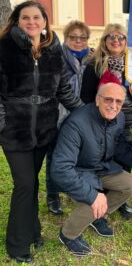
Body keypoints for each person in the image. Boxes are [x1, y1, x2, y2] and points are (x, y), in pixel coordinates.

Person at [0, 0, 83, 263]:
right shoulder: (4, 48)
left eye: (37, 17)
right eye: (26, 18)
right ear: (17, 21)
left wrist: (87, 112)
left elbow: (63, 91)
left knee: (33, 183)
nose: (32, 22)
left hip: (44, 129)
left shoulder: (53, 50)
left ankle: (33, 231)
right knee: (24, 184)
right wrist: (3, 123)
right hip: (15, 130)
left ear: (45, 21)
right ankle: (17, 245)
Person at [51, 82, 132, 256]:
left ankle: (97, 217)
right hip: (79, 171)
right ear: (97, 100)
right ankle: (68, 235)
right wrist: (92, 195)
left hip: (102, 168)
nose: (113, 105)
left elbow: (120, 148)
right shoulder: (76, 123)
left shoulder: (119, 118)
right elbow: (60, 168)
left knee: (130, 183)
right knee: (94, 200)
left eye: (119, 101)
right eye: (108, 99)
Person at [81, 23, 132, 219]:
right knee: (101, 157)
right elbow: (85, 96)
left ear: (126, 41)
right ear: (105, 40)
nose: (116, 40)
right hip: (101, 121)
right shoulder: (94, 64)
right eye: (111, 36)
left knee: (124, 156)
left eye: (121, 37)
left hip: (128, 120)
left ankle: (121, 198)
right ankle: (99, 195)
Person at [46, 20, 93, 215]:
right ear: (66, 38)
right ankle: (53, 195)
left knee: (78, 154)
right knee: (55, 155)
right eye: (73, 37)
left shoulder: (92, 58)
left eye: (82, 37)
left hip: (82, 114)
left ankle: (75, 190)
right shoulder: (57, 56)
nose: (78, 41)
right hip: (58, 113)